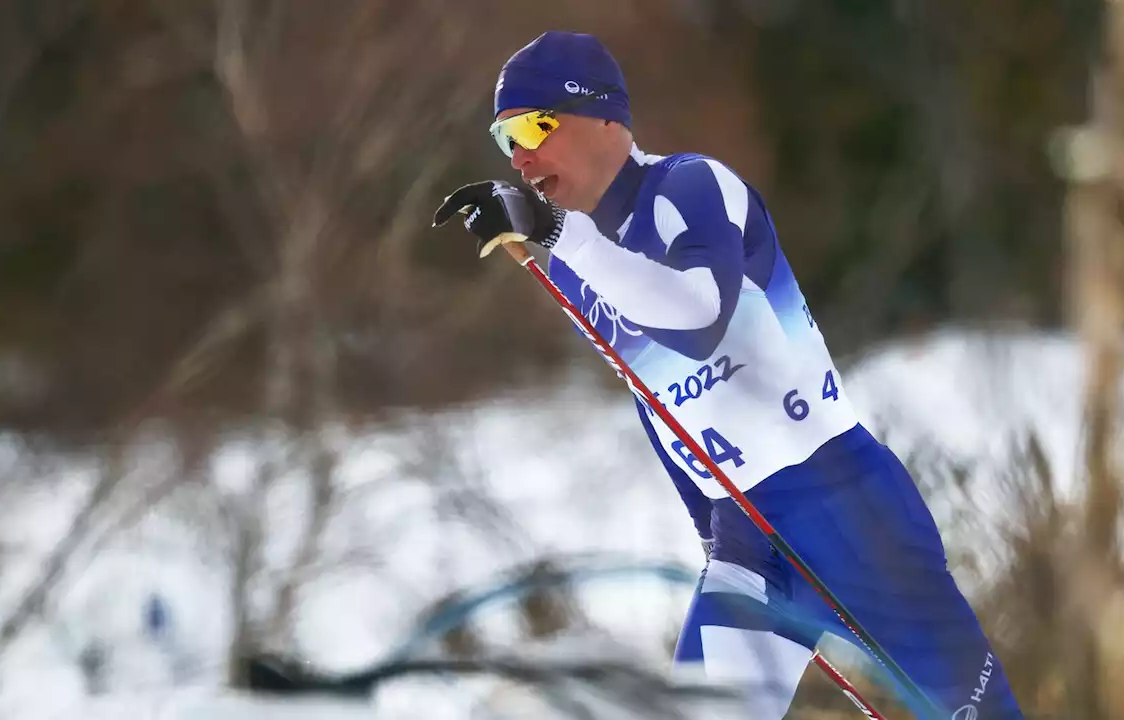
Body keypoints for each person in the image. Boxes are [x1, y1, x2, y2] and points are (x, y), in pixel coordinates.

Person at [433, 30, 1025, 719]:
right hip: (747, 537)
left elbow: (697, 320)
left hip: (842, 503)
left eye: (535, 126)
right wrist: (709, 525)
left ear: (605, 117)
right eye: (505, 141)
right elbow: (655, 400)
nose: (522, 158)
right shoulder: (578, 264)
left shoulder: (687, 186)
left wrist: (563, 233)